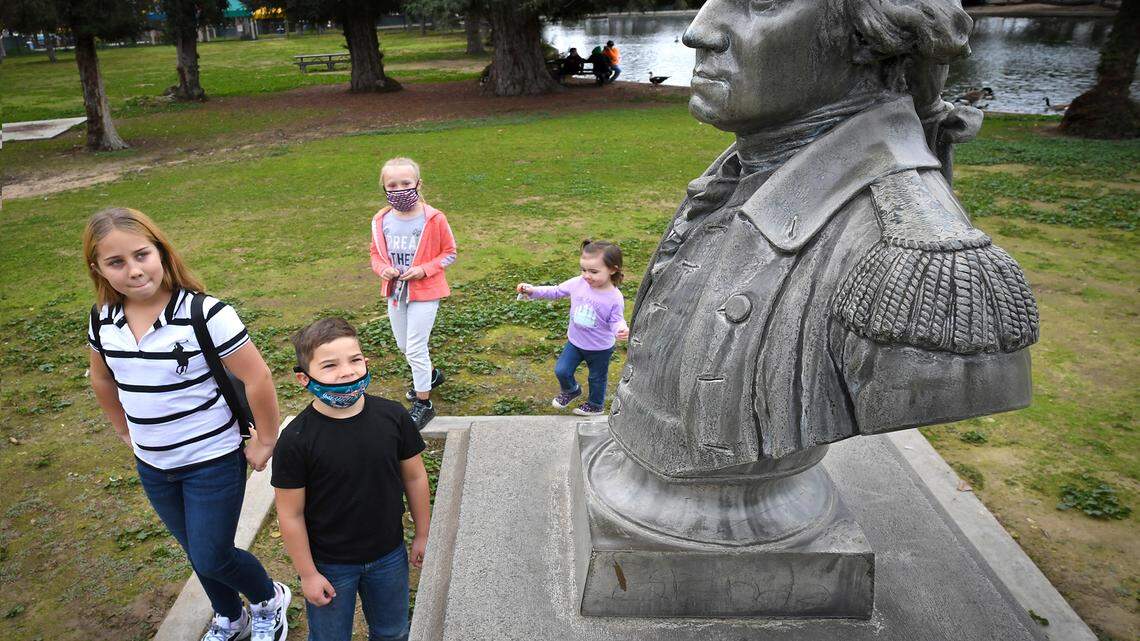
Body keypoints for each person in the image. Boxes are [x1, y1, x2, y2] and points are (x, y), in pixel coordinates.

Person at [610, 0, 1039, 478]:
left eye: (761, 3)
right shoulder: (736, 177)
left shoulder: (920, 260)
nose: (699, 31)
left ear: (868, 37)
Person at [84, 207, 291, 641]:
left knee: (213, 555)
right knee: (195, 552)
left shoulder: (206, 314)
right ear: (97, 268)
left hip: (211, 459)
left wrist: (266, 440)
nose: (133, 270)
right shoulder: (102, 319)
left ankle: (269, 599)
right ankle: (229, 615)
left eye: (141, 255)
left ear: (161, 252)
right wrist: (123, 428)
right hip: (154, 465)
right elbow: (102, 377)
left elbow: (258, 377)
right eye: (116, 262)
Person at [272, 317, 431, 641]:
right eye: (330, 365)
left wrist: (423, 533)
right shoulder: (296, 440)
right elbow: (290, 513)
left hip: (389, 554)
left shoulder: (394, 417)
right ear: (304, 378)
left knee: (393, 631)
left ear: (366, 362)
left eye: (355, 360)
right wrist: (308, 574)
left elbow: (414, 477)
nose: (347, 372)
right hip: (330, 564)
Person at [369, 157, 457, 430]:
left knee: (416, 348)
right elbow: (375, 254)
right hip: (396, 292)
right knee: (404, 346)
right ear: (384, 188)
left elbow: (449, 253)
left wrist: (424, 270)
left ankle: (423, 403)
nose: (399, 189)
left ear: (418, 183)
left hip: (425, 291)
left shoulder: (434, 218)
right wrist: (382, 268)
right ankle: (431, 376)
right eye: (392, 185)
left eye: (406, 183)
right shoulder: (381, 220)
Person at [516, 240, 629, 416]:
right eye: (583, 270)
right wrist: (532, 291)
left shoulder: (614, 297)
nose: (586, 275)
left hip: (600, 348)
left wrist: (620, 329)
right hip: (575, 342)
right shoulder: (578, 283)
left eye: (593, 271)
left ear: (613, 270)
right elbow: (555, 291)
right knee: (562, 370)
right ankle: (571, 390)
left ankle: (595, 405)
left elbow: (616, 320)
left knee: (597, 378)